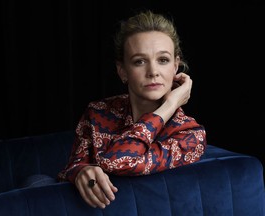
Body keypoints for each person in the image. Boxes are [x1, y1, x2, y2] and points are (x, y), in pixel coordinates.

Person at [57, 10, 207, 209]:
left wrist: (170, 105)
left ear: (175, 67)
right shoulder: (99, 112)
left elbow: (118, 162)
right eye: (139, 61)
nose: (153, 72)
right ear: (122, 71)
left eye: (163, 60)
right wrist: (80, 171)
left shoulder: (190, 134)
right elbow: (69, 168)